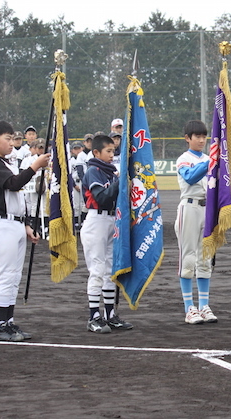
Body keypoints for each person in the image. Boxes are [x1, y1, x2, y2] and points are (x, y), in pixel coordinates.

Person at [0, 120, 51, 341]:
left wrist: (26, 225)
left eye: (13, 138)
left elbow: (18, 198)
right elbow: (12, 184)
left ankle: (8, 322)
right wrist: (34, 167)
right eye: (7, 138)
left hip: (14, 224)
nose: (12, 143)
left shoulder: (8, 162)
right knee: (6, 275)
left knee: (14, 276)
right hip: (1, 224)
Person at [80, 134, 133, 333]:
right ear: (96, 152)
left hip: (112, 220)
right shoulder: (94, 171)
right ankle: (94, 316)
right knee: (97, 270)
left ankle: (110, 315)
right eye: (108, 151)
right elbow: (102, 197)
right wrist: (121, 180)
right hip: (96, 221)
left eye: (113, 151)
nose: (112, 155)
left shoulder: (110, 172)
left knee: (110, 271)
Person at [174, 120, 217, 325]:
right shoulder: (184, 159)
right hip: (189, 207)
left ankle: (204, 306)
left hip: (206, 209)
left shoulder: (210, 158)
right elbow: (190, 177)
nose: (201, 140)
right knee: (188, 257)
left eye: (203, 136)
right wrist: (211, 162)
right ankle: (189, 308)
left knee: (205, 258)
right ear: (187, 138)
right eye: (197, 136)